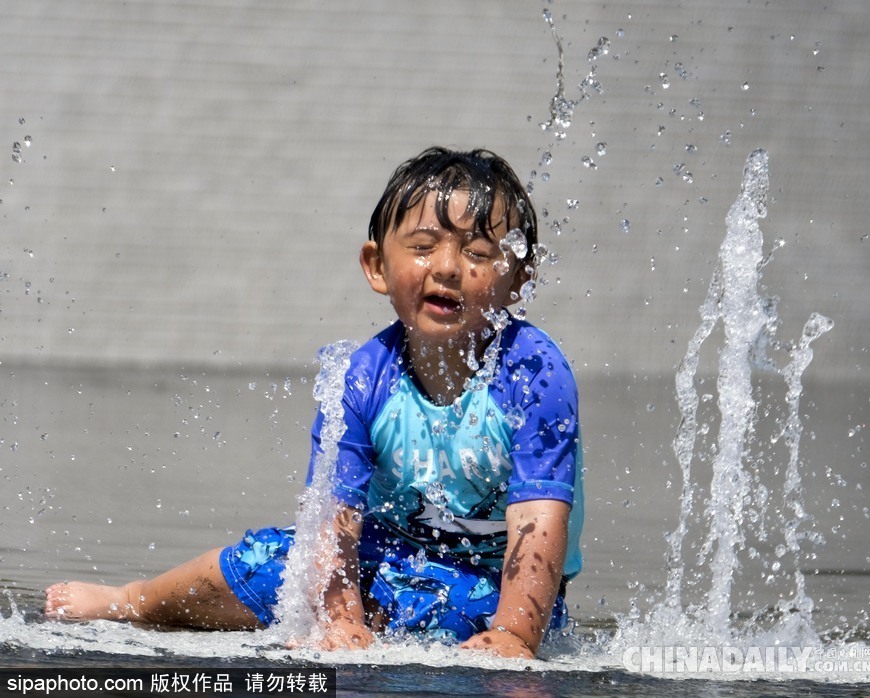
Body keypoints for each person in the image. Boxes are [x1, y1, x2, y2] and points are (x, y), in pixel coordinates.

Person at [44, 147, 584, 660]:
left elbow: (538, 520)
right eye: (423, 247)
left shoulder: (535, 374)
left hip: (491, 583)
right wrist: (341, 619)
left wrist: (515, 632)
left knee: (455, 609)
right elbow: (333, 519)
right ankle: (134, 599)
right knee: (263, 563)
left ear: (519, 278)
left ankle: (422, 617)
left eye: (478, 253)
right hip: (386, 555)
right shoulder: (361, 376)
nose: (447, 267)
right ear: (376, 266)